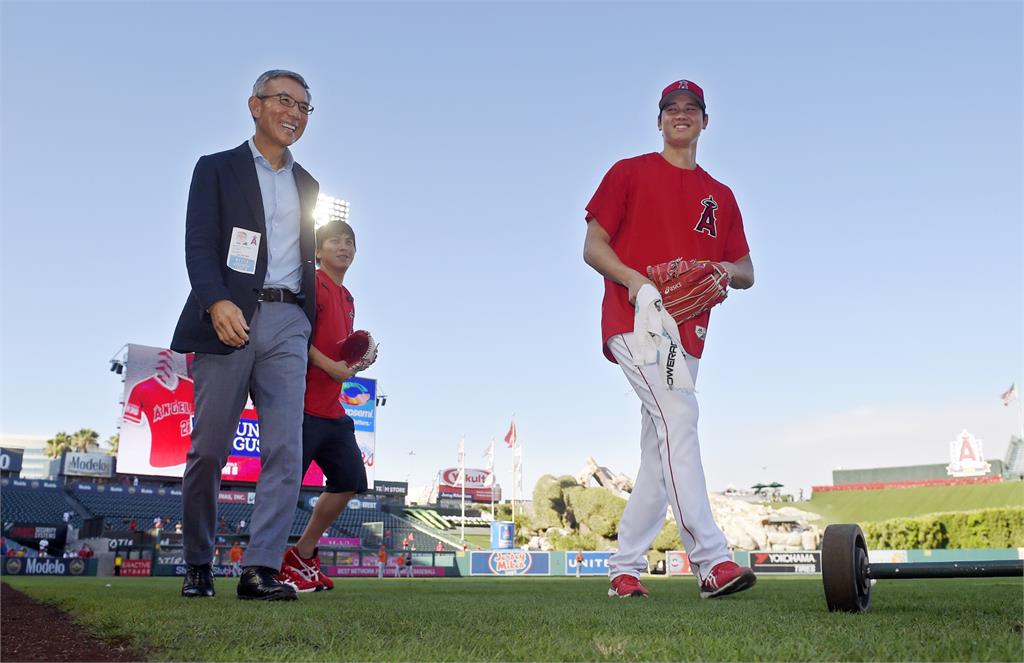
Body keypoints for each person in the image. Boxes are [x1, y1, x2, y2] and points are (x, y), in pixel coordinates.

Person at [583, 79, 757, 600]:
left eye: (692, 108)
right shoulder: (629, 172)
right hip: (636, 318)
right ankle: (711, 560)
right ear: (659, 120)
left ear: (706, 121)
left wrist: (718, 269)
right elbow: (593, 246)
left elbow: (747, 269)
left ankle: (623, 568)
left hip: (689, 333)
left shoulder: (720, 196)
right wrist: (637, 281)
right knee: (680, 418)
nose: (681, 115)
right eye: (671, 108)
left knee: (661, 454)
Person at [172, 69, 319, 602]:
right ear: (254, 105)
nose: (295, 113)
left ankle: (260, 569)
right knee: (209, 449)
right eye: (285, 101)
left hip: (288, 321)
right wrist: (216, 301)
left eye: (305, 107)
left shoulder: (309, 186)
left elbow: (306, 260)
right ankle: (197, 562)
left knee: (286, 448)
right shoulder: (216, 169)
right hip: (229, 317)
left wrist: (310, 323)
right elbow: (199, 245)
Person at [276, 220, 370, 593]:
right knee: (285, 487)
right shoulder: (312, 282)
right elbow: (294, 333)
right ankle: (267, 566)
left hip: (332, 409)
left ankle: (301, 555)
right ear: (318, 250)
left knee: (349, 481)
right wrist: (329, 365)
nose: (344, 247)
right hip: (299, 405)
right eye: (335, 241)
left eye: (350, 242)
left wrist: (352, 365)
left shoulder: (348, 298)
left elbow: (336, 351)